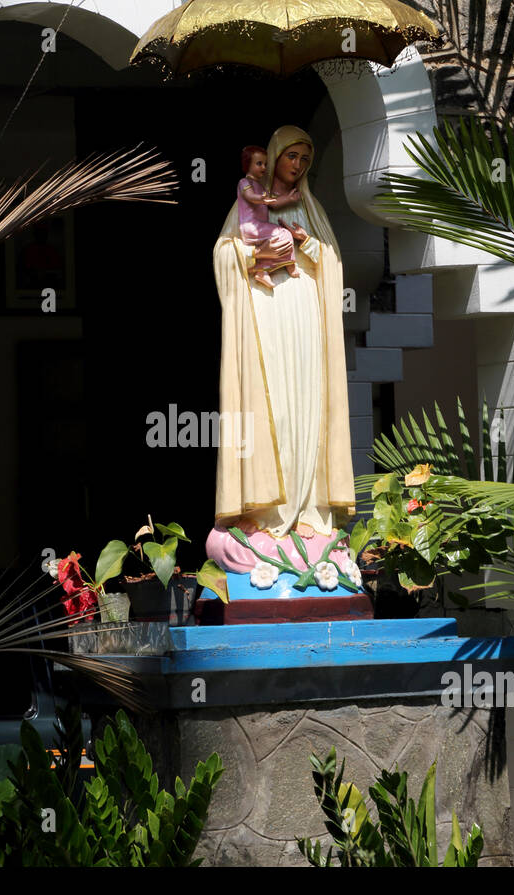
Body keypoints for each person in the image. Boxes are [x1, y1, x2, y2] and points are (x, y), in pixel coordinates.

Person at [206, 126, 356, 574]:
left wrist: (305, 242)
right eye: (291, 156)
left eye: (305, 159)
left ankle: (310, 511)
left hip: (305, 315)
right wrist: (253, 258)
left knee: (308, 410)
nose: (298, 165)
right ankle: (268, 517)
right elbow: (223, 253)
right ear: (272, 158)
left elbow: (330, 263)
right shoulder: (249, 202)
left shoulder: (311, 209)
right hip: (265, 316)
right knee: (274, 409)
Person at [236, 146, 301, 289]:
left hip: (259, 227)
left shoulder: (260, 187)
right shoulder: (245, 183)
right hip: (251, 226)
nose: (263, 167)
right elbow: (250, 196)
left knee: (278, 241)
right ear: (248, 165)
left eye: (265, 164)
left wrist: (288, 198)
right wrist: (261, 199)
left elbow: (274, 204)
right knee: (285, 234)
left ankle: (262, 270)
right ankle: (289, 264)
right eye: (259, 163)